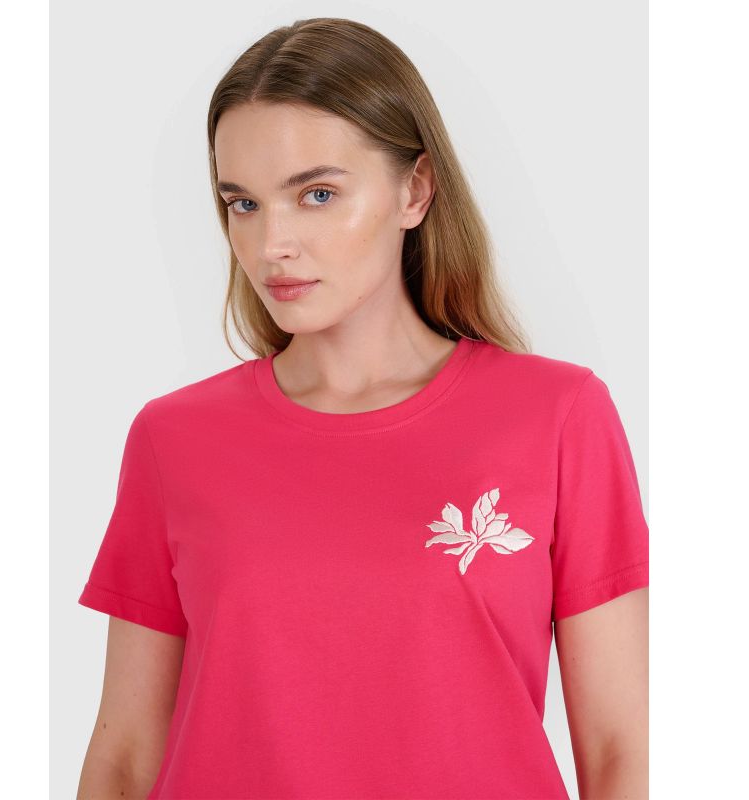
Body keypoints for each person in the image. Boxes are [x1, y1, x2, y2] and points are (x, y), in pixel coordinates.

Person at [76, 16, 649, 800]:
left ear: (415, 190)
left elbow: (622, 750)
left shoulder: (556, 416)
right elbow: (124, 758)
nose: (272, 243)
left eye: (316, 194)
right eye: (243, 203)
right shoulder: (173, 439)